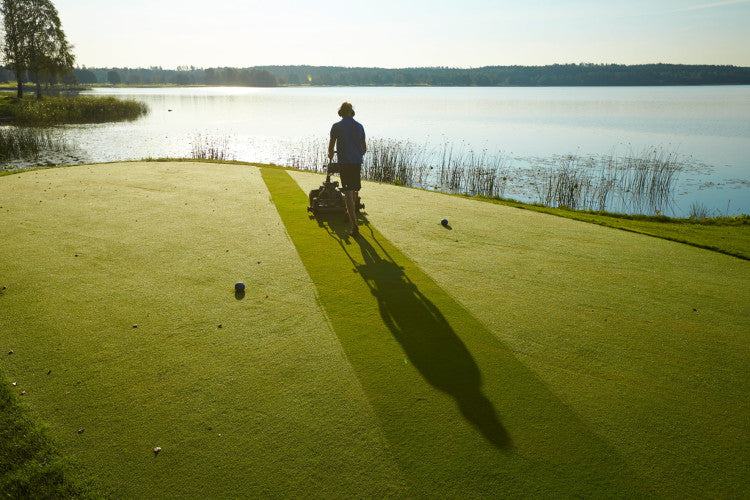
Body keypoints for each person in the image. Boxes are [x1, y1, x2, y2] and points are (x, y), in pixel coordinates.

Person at [328, 102, 366, 237]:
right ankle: (348, 213)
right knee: (354, 190)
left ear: (341, 112)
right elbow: (364, 149)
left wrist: (331, 155)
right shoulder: (359, 126)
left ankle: (354, 225)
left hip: (344, 163)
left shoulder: (336, 126)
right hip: (356, 162)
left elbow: (331, 147)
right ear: (352, 112)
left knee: (349, 193)